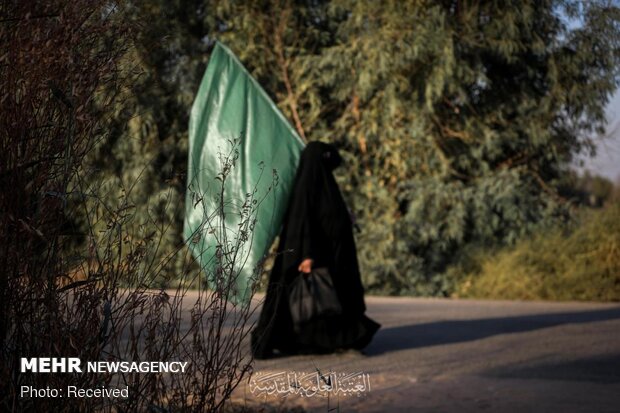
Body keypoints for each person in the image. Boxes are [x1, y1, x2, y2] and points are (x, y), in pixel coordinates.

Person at [251, 141, 380, 359]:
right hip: (317, 257)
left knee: (330, 299)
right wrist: (307, 255)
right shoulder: (307, 187)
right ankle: (328, 342)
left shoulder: (324, 184)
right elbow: (303, 223)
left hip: (334, 257)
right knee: (318, 300)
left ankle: (334, 342)